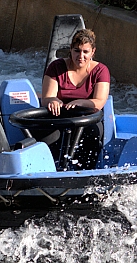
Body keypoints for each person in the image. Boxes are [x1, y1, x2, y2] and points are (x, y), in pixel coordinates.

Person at [38, 29, 110, 168]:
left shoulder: (101, 71)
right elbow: (46, 98)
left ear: (92, 52)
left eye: (85, 52)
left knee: (92, 134)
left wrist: (81, 103)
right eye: (77, 51)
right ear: (70, 50)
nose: (80, 56)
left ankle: (85, 173)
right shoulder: (56, 67)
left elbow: (100, 102)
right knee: (47, 139)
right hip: (58, 118)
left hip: (87, 120)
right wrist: (53, 100)